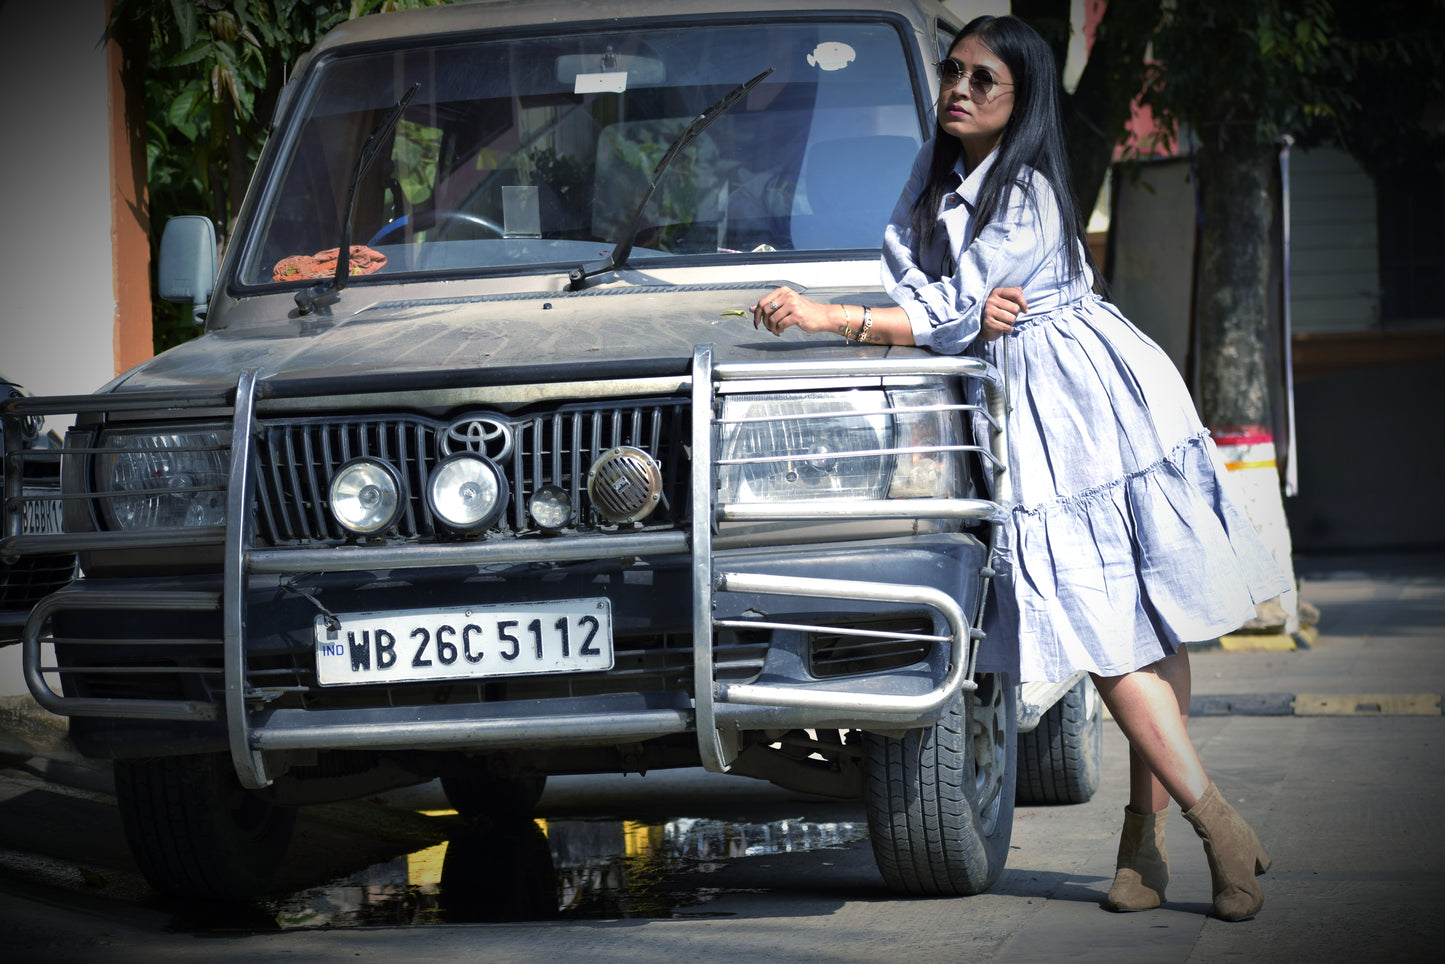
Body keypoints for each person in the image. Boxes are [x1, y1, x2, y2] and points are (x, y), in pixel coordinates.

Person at [748, 14, 1289, 922]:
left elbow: (937, 313)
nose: (958, 89)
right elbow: (927, 295)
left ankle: (1206, 823)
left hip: (1089, 405)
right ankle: (1149, 846)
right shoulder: (934, 175)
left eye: (981, 80)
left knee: (1126, 632)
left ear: (1020, 100)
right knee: (1117, 629)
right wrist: (956, 314)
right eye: (953, 73)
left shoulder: (1029, 193)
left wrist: (825, 315)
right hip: (1026, 408)